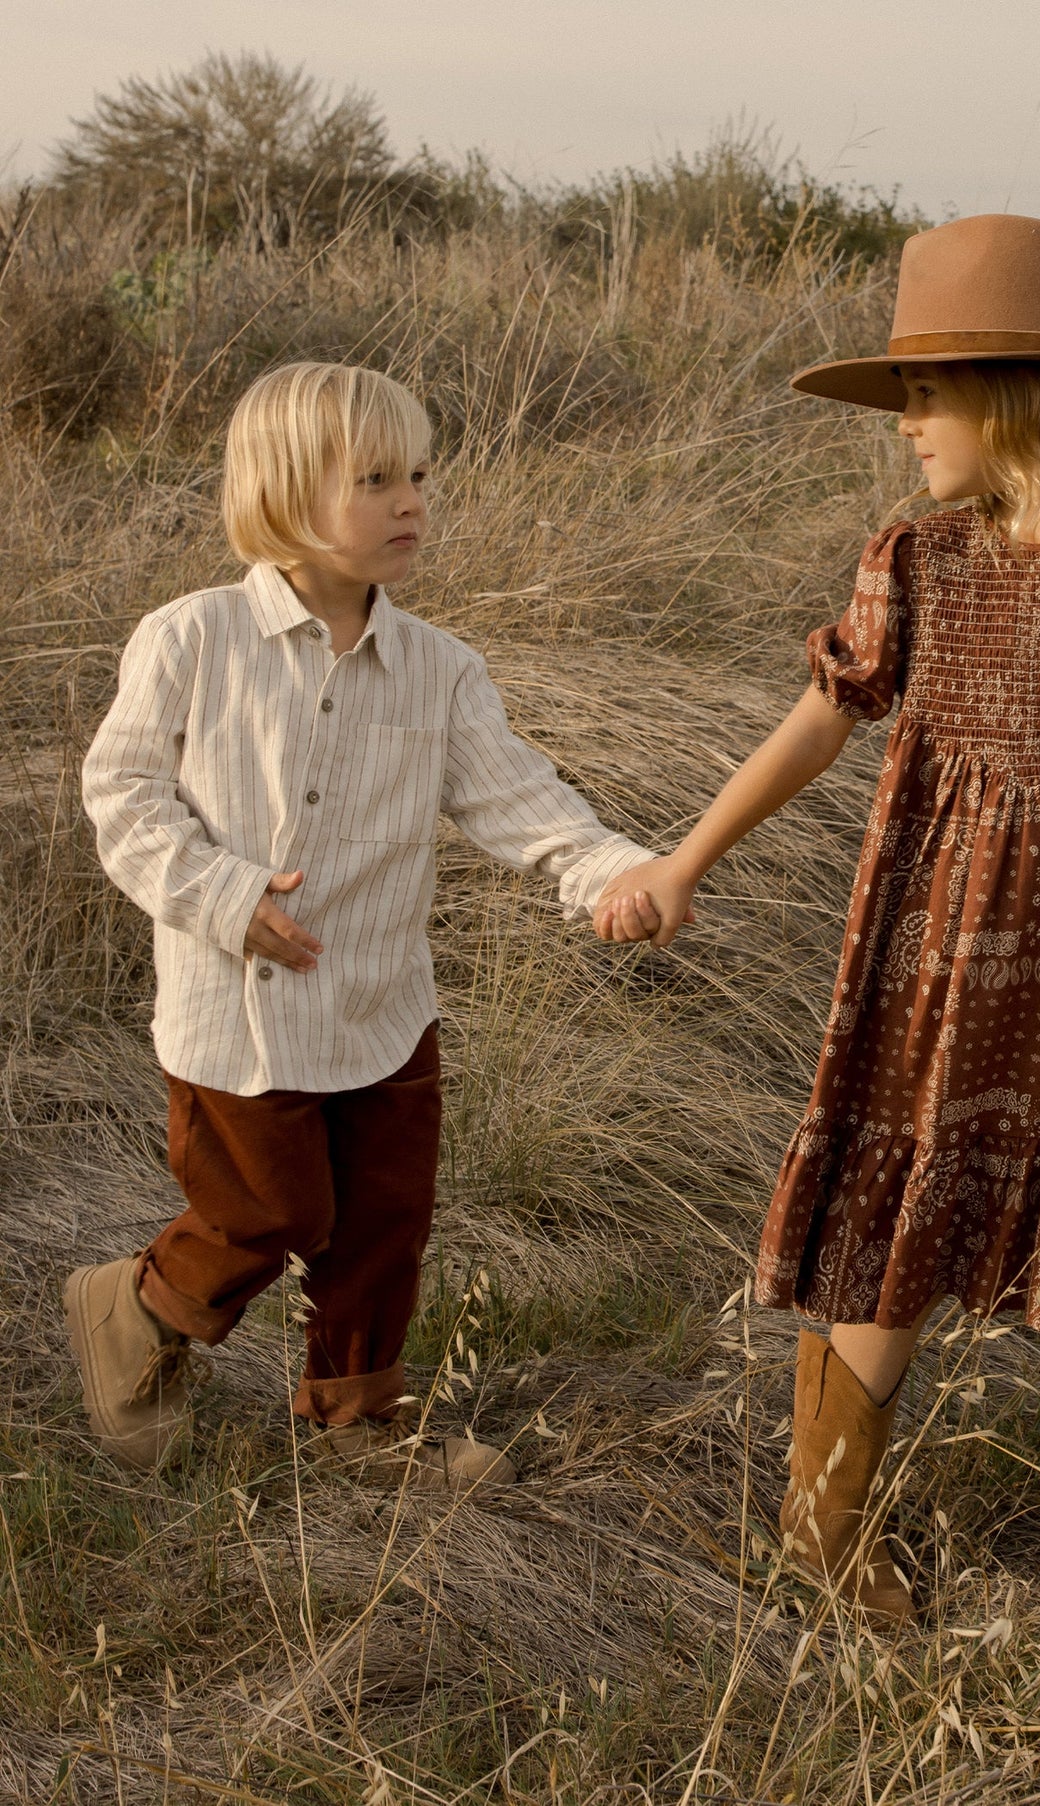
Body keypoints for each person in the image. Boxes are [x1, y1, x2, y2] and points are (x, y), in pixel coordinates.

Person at [594, 216, 1040, 1670]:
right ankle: (825, 1521)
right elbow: (818, 723)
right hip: (951, 939)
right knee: (903, 1206)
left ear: (1028, 394)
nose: (907, 426)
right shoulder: (914, 559)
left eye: (931, 394)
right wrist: (683, 859)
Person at [71, 361, 653, 1488]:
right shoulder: (192, 639)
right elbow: (123, 799)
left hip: (384, 1005)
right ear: (284, 494)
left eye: (419, 476)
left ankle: (356, 1420)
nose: (410, 503)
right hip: (238, 1010)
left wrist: (616, 871)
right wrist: (228, 899)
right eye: (374, 478)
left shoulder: (439, 670)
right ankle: (138, 1307)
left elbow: (520, 800)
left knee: (384, 1216)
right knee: (272, 1209)